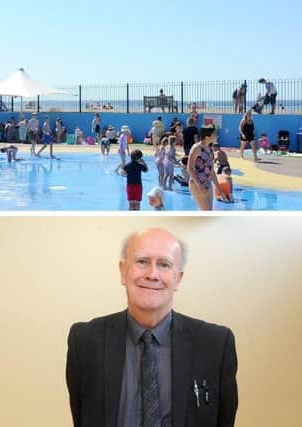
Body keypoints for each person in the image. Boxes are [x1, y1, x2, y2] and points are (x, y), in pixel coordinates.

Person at [66, 228, 238, 427]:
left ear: (178, 278)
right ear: (123, 271)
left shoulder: (215, 345)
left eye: (164, 265)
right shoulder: (85, 341)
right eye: (142, 262)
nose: (152, 274)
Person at [187, 125, 229, 210]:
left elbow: (212, 171)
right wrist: (199, 185)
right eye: (215, 134)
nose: (217, 136)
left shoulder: (209, 149)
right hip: (197, 184)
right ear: (207, 137)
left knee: (208, 212)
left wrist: (220, 190)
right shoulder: (196, 148)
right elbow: (189, 168)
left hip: (207, 184)